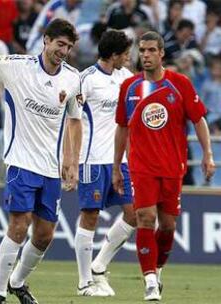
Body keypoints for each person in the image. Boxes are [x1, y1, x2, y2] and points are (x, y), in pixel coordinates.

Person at [0, 18, 83, 304]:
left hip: (50, 167)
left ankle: (17, 281)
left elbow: (75, 119)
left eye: (69, 47)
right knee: (19, 225)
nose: (64, 50)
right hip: (21, 162)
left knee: (45, 235)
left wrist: (71, 161)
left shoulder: (73, 78)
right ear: (46, 40)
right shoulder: (18, 66)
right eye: (60, 44)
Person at [113, 31, 215, 301]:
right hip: (141, 166)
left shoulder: (179, 83)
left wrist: (207, 154)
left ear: (161, 54)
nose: (144, 55)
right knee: (145, 218)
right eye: (141, 50)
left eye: (150, 50)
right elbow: (122, 129)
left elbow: (199, 120)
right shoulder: (130, 88)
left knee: (168, 226)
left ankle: (157, 272)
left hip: (172, 166)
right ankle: (148, 282)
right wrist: (116, 167)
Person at [68, 29, 135, 297]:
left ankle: (99, 265)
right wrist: (71, 161)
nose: (129, 59)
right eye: (126, 54)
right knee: (91, 216)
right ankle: (85, 282)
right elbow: (72, 120)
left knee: (135, 214)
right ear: (114, 55)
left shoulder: (127, 79)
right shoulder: (86, 80)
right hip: (91, 160)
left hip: (120, 161)